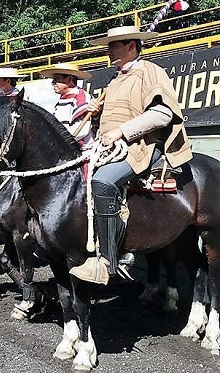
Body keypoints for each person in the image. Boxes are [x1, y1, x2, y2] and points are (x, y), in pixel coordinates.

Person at [70, 26, 193, 282]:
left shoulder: (150, 72)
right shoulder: (114, 80)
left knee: (103, 182)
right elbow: (108, 123)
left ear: (132, 46)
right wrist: (95, 115)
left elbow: (163, 114)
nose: (109, 50)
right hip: (110, 147)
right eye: (109, 45)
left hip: (142, 146)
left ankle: (108, 259)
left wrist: (121, 132)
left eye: (114, 45)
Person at [39, 63, 94, 146]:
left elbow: (82, 129)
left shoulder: (81, 97)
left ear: (69, 79)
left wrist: (60, 141)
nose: (53, 82)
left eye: (57, 79)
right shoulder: (61, 101)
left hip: (81, 150)